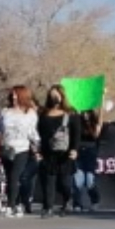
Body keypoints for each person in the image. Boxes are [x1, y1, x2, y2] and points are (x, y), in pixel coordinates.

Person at [35, 84, 80, 219]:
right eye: (51, 95)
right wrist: (38, 151)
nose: (54, 97)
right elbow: (39, 133)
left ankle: (67, 201)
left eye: (56, 94)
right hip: (48, 152)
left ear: (62, 96)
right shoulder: (44, 113)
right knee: (48, 180)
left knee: (64, 182)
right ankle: (48, 207)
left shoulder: (71, 113)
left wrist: (74, 150)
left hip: (65, 153)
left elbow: (76, 133)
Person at [0, 86, 39, 218]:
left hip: (22, 149)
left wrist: (37, 147)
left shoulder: (30, 113)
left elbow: (33, 132)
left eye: (16, 95)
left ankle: (11, 206)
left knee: (15, 176)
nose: (14, 97)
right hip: (7, 149)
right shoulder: (5, 112)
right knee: (10, 178)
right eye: (12, 95)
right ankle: (18, 202)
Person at [72, 110, 103, 212]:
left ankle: (95, 201)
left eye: (87, 113)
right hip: (79, 152)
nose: (85, 115)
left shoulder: (94, 124)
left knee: (90, 180)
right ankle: (77, 204)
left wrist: (102, 100)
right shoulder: (77, 123)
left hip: (90, 153)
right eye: (83, 113)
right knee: (78, 180)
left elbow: (97, 130)